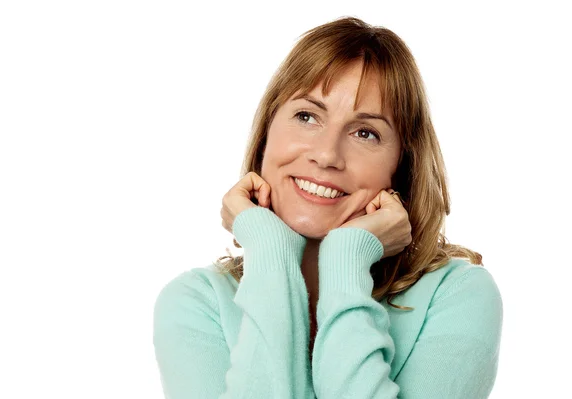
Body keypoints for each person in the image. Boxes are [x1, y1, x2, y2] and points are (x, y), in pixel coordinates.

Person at [153, 16, 502, 399]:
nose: (326, 155)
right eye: (307, 116)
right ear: (268, 132)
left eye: (365, 133)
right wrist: (269, 248)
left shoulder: (457, 296)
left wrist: (347, 259)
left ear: (402, 165)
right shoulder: (195, 303)